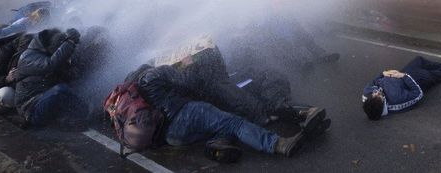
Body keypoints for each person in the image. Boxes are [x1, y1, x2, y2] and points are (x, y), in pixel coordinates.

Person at [136, 62, 317, 159]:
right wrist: (187, 64)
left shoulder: (139, 88)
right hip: (188, 113)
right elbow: (188, 82)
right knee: (235, 123)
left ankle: (217, 145)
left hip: (172, 135)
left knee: (223, 122)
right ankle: (278, 144)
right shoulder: (156, 73)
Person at [11, 28, 88, 128]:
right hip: (31, 109)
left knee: (73, 89)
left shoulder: (46, 54)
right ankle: (84, 113)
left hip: (43, 100)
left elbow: (68, 77)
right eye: (58, 47)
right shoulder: (27, 57)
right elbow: (49, 65)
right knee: (60, 90)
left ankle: (83, 112)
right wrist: (69, 42)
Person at [361, 52, 441, 120]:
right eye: (379, 96)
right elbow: (418, 94)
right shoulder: (397, 101)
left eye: (374, 94)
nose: (377, 92)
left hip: (400, 75)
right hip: (413, 81)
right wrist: (404, 76)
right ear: (383, 105)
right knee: (433, 75)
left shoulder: (368, 93)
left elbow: (374, 81)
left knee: (419, 60)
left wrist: (384, 73)